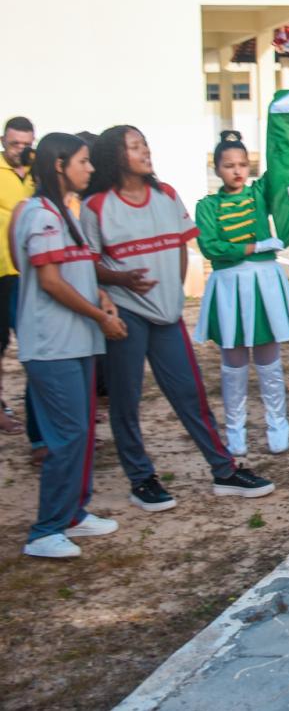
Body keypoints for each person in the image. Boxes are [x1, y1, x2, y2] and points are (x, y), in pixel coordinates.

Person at [83, 126, 273, 509]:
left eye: (145, 144)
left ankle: (225, 471)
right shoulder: (97, 206)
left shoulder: (166, 194)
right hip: (126, 315)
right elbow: (87, 266)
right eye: (134, 147)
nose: (145, 151)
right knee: (126, 399)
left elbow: (181, 247)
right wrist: (120, 280)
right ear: (114, 157)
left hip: (167, 315)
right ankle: (142, 479)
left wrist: (172, 286)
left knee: (191, 393)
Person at [13, 132, 126, 558]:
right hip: (51, 345)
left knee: (80, 432)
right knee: (67, 435)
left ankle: (72, 514)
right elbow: (49, 281)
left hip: (77, 342)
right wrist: (100, 317)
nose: (91, 168)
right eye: (83, 161)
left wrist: (101, 296)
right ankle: (45, 531)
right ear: (60, 165)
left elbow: (77, 271)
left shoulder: (67, 213)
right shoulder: (41, 214)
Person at [193, 133, 289, 457]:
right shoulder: (207, 206)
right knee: (234, 361)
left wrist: (285, 124)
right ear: (217, 169)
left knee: (269, 359)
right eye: (229, 166)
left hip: (263, 284)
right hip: (229, 286)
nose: (237, 171)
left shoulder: (259, 194)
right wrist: (254, 247)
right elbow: (210, 246)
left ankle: (277, 423)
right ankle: (235, 429)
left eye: (242, 164)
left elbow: (282, 168)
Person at [1, 115, 36, 436]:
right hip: (1, 274)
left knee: (35, 346)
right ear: (3, 142)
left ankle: (42, 416)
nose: (21, 151)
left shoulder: (38, 174)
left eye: (27, 144)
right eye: (15, 144)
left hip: (32, 273)